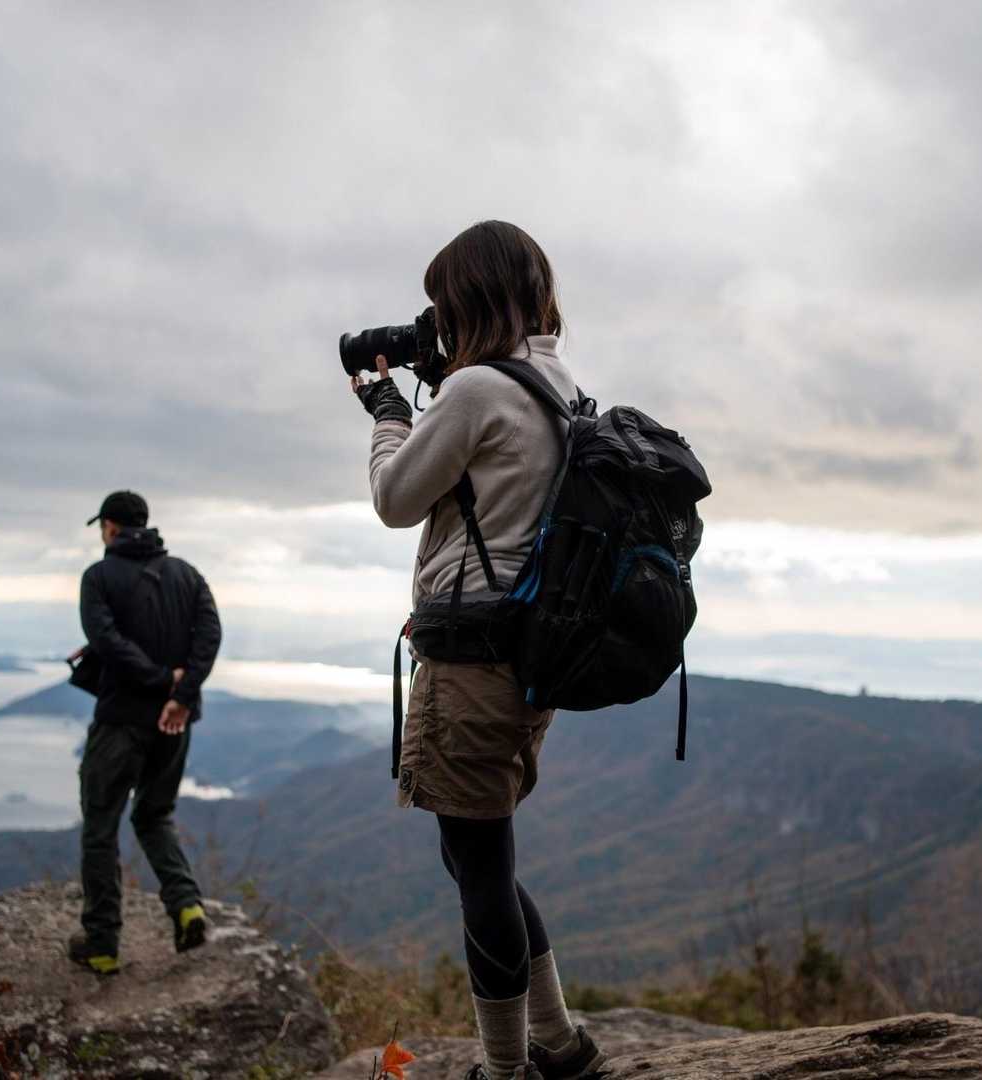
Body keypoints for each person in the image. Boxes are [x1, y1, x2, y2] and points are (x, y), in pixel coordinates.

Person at [350, 222, 605, 1080]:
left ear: (470, 299)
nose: (438, 322)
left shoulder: (476, 391)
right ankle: (560, 1045)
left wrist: (389, 413)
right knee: (479, 858)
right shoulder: (558, 385)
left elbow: (395, 499)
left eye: (443, 305)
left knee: (481, 871)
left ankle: (505, 1069)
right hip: (526, 658)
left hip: (471, 665)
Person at [66, 489, 222, 974]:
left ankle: (102, 944)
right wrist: (181, 695)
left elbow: (106, 639)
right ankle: (187, 907)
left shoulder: (98, 577)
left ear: (110, 528)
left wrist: (157, 680)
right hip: (174, 723)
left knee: (100, 826)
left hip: (121, 720)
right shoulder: (187, 575)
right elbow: (209, 637)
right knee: (154, 817)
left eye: (102, 528)